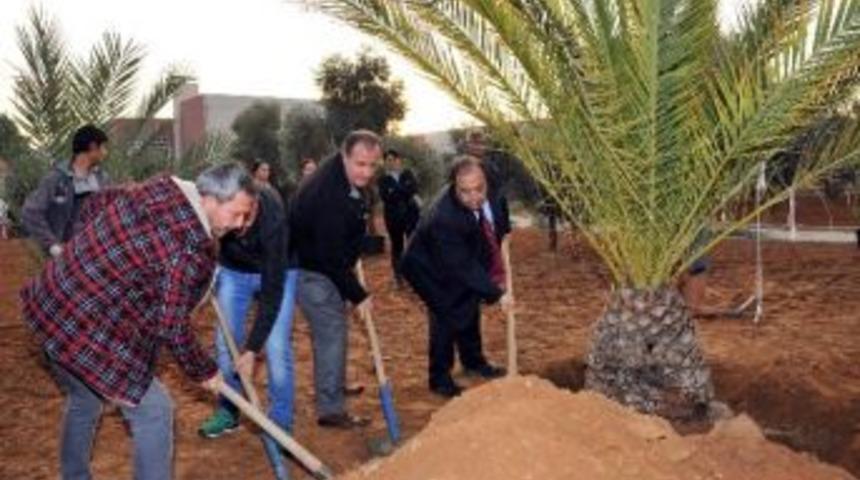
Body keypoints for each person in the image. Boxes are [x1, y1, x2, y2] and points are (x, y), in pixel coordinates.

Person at [20, 163, 257, 480]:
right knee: (155, 412)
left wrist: (92, 257)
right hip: (82, 325)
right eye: (237, 213)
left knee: (84, 398)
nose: (240, 224)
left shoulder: (156, 189)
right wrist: (206, 371)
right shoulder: (188, 248)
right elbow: (170, 326)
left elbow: (95, 205)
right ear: (211, 198)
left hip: (51, 301)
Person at [197, 181, 296, 479]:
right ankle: (229, 411)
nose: (239, 224)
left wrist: (253, 349)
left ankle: (279, 424)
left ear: (255, 205)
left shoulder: (273, 220)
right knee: (225, 347)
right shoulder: (215, 206)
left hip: (280, 271)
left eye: (246, 217)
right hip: (234, 273)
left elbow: (272, 295)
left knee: (277, 347)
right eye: (234, 216)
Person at [290, 130, 380, 428]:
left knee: (336, 327)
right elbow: (329, 256)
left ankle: (335, 383)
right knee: (331, 331)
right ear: (344, 156)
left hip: (326, 263)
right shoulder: (328, 192)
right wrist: (359, 294)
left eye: (371, 165)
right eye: (360, 164)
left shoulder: (342, 176)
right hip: (310, 269)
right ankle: (330, 409)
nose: (366, 172)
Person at [402, 155, 513, 398]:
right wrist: (497, 293)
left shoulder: (486, 190)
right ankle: (439, 378)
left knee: (469, 302)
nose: (474, 197)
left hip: (455, 257)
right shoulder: (445, 219)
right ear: (454, 186)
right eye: (466, 192)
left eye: (479, 189)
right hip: (427, 268)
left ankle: (473, 361)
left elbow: (497, 212)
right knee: (447, 313)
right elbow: (463, 267)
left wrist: (504, 232)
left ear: (485, 181)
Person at [22, 124, 110, 257]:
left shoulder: (103, 179)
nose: (105, 152)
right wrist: (51, 245)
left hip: (92, 254)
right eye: (103, 147)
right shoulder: (56, 179)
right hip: (59, 257)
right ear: (92, 147)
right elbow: (31, 212)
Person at [377, 149, 420, 286]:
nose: (391, 163)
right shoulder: (382, 179)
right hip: (393, 218)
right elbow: (386, 197)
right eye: (388, 160)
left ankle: (415, 275)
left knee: (413, 245)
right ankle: (398, 277)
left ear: (398, 160)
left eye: (393, 159)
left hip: (411, 216)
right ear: (385, 163)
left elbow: (413, 189)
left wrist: (396, 190)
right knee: (397, 247)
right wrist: (403, 190)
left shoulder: (408, 174)